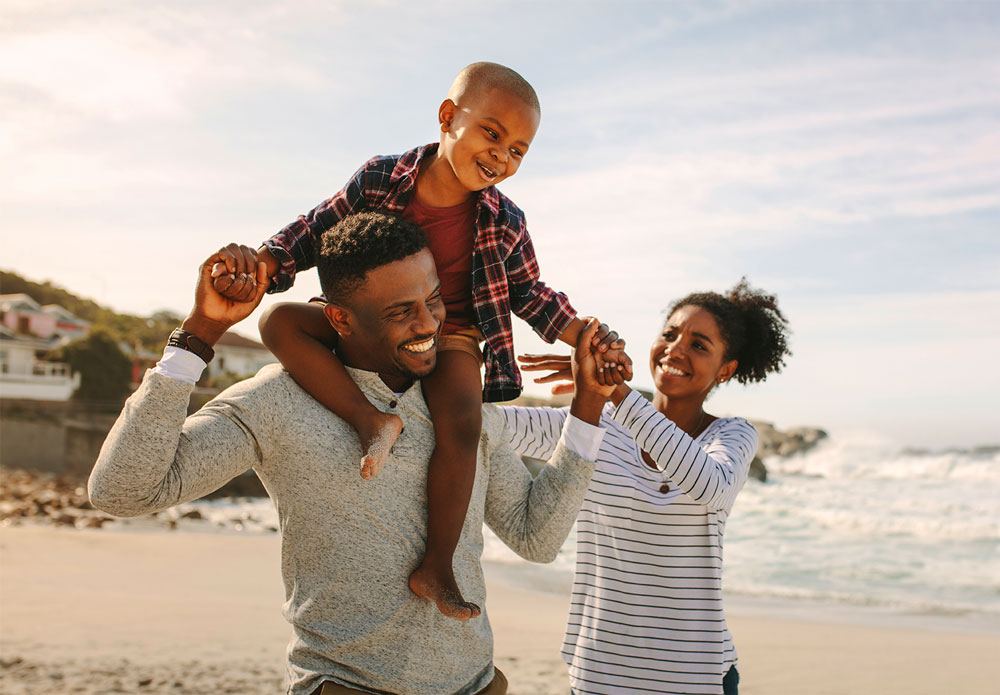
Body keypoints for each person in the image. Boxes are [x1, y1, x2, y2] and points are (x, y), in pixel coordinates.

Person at [89, 212, 618, 695]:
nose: (429, 325)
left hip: (476, 685)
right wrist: (201, 332)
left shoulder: (459, 408)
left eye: (434, 300)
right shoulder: (279, 399)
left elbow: (536, 536)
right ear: (340, 319)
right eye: (400, 312)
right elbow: (122, 491)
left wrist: (588, 407)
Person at [209, 61, 631, 621]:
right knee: (278, 324)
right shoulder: (382, 178)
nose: (502, 157)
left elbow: (531, 293)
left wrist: (586, 334)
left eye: (519, 151)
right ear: (448, 117)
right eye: (493, 134)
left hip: (451, 331)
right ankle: (369, 420)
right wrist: (264, 262)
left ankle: (437, 566)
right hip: (373, 322)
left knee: (462, 420)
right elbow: (315, 229)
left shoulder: (506, 220)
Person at [501, 279, 791, 695]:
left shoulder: (732, 436)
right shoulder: (591, 424)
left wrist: (614, 390)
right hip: (599, 675)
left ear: (726, 369)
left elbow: (709, 485)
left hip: (696, 677)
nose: (676, 349)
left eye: (699, 345)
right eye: (670, 335)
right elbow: (487, 426)